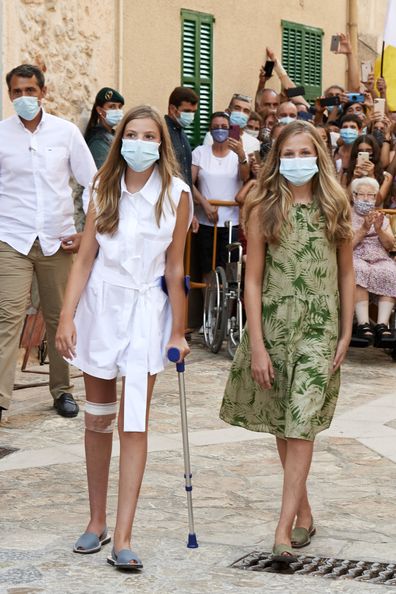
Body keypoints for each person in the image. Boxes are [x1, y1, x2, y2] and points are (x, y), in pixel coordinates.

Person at [55, 105, 192, 570]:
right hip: (100, 309)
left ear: (160, 144)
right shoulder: (102, 186)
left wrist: (178, 330)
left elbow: (176, 270)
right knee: (97, 419)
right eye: (130, 134)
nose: (139, 142)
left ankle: (124, 535)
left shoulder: (177, 194)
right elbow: (84, 258)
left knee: (134, 422)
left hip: (145, 317)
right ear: (120, 140)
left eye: (148, 135)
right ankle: (96, 522)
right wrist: (65, 317)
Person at [220, 121, 354, 566]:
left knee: (302, 421)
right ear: (277, 158)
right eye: (289, 153)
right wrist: (256, 344)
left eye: (305, 152)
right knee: (284, 420)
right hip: (276, 326)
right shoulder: (263, 207)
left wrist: (347, 330)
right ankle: (305, 511)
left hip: (319, 326)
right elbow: (252, 281)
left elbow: (347, 271)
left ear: (319, 154)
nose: (298, 161)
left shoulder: (335, 203)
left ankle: (281, 528)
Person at [0, 64, 96, 422]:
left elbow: (93, 183)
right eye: (17, 92)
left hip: (58, 240)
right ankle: (0, 399)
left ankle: (62, 390)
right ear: (9, 95)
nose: (24, 98)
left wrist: (88, 231)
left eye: (30, 91)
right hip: (11, 238)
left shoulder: (66, 132)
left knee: (60, 318)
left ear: (43, 91)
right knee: (7, 318)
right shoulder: (1, 134)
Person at [193, 112, 249, 285]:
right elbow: (189, 183)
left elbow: (245, 177)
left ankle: (227, 310)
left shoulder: (237, 155)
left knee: (230, 272)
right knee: (206, 269)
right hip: (205, 222)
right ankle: (207, 310)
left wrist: (241, 155)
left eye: (224, 127)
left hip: (231, 223)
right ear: (210, 130)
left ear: (231, 129)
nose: (220, 130)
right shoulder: (200, 152)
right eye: (216, 127)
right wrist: (205, 205)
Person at [351, 177, 396, 345]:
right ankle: (363, 324)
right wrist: (363, 229)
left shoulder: (381, 217)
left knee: (391, 271)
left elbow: (390, 245)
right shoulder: (345, 215)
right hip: (355, 255)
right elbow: (345, 246)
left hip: (379, 257)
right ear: (354, 196)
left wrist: (378, 229)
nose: (365, 198)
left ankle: (382, 325)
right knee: (358, 269)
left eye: (370, 195)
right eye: (361, 194)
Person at [164, 86, 199, 190]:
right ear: (172, 109)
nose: (191, 116)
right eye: (187, 111)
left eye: (194, 112)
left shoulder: (182, 132)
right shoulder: (162, 132)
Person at [343, 134, 393, 204]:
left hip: (374, 214)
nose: (365, 153)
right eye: (360, 151)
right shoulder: (346, 175)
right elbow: (345, 200)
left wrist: (371, 176)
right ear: (356, 153)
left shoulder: (386, 176)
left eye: (368, 150)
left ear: (374, 152)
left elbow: (377, 202)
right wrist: (354, 178)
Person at [84, 87, 125, 168]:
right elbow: (102, 175)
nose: (117, 110)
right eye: (112, 107)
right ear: (99, 110)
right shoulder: (98, 141)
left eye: (119, 107)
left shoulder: (113, 134)